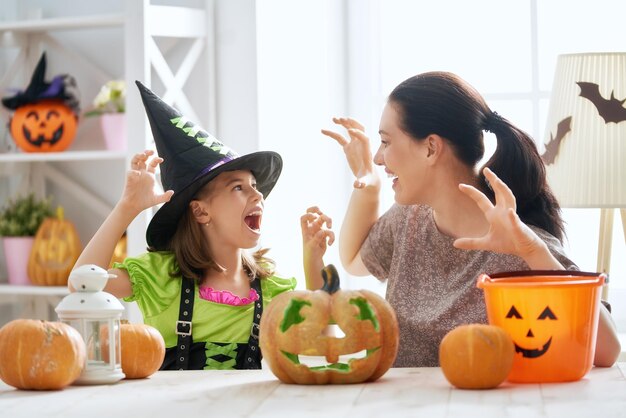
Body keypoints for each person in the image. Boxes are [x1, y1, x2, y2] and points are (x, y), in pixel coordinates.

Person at [321, 71, 621, 368]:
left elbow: (606, 352)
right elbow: (354, 261)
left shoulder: (517, 240)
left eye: (386, 142)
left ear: (430, 148)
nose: (378, 158)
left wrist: (532, 252)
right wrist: (367, 184)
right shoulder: (407, 220)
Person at [71, 81, 333, 370]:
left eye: (255, 186)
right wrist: (126, 208)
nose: (258, 194)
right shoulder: (160, 277)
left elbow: (322, 347)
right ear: (200, 211)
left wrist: (313, 262)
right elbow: (80, 285)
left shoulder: (272, 289)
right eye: (238, 188)